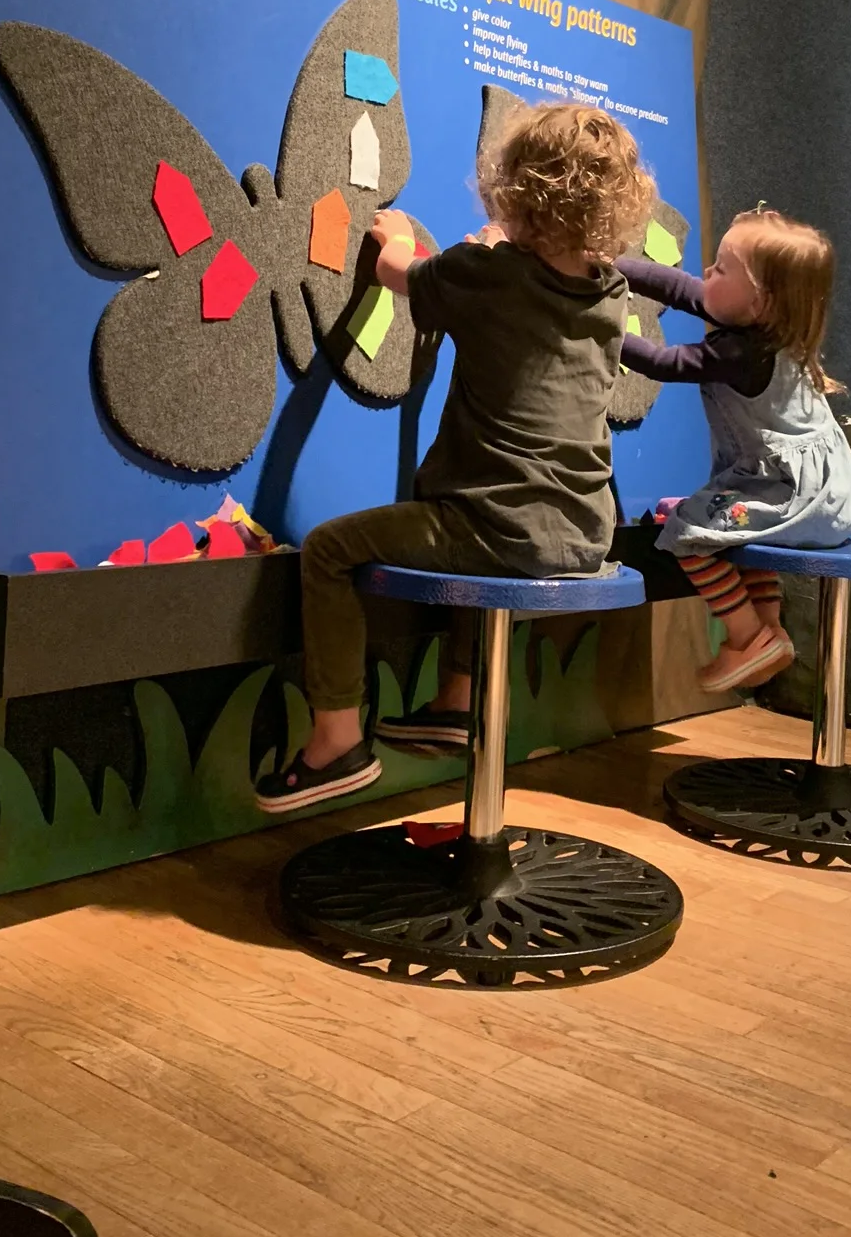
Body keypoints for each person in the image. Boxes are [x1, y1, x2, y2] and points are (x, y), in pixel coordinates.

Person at [255, 102, 653, 813]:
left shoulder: (484, 273)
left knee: (329, 549)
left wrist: (399, 237)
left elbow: (399, 270)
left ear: (516, 192)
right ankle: (458, 698)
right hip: (583, 533)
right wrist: (501, 250)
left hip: (491, 527)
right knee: (483, 540)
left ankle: (336, 740)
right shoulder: (610, 290)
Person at [617, 207, 851, 693]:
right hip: (832, 498)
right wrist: (612, 264)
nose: (707, 272)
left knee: (687, 532)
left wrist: (599, 329)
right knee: (748, 539)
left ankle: (746, 635)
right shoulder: (770, 330)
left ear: (760, 300)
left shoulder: (743, 353)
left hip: (790, 496)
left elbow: (664, 363)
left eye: (723, 268)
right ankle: (768, 632)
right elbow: (680, 288)